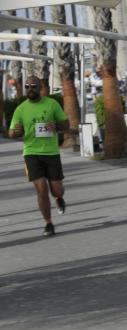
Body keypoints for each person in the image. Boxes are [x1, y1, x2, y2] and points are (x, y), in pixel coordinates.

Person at [8, 76, 71, 237]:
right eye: (27, 86)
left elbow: (66, 125)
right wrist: (15, 132)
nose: (30, 89)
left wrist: (56, 126)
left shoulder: (51, 104)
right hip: (31, 152)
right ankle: (48, 223)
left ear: (40, 87)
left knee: (56, 189)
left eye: (33, 86)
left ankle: (58, 198)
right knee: (41, 188)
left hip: (51, 152)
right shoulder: (21, 109)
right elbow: (11, 131)